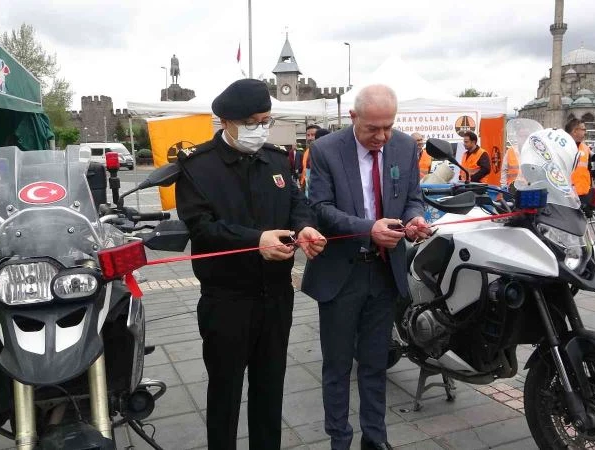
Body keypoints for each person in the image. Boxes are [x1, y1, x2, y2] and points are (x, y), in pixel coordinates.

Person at [175, 78, 327, 450]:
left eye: (266, 121)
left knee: (270, 389)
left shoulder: (275, 160)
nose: (260, 129)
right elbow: (203, 228)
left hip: (276, 297)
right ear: (226, 121)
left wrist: (304, 227)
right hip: (227, 300)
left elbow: (297, 203)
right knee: (224, 393)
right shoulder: (198, 167)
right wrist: (255, 241)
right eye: (253, 122)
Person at [302, 84, 432, 450]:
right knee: (338, 367)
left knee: (376, 364)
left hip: (384, 272)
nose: (382, 136)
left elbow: (412, 198)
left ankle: (375, 440)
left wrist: (416, 219)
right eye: (373, 128)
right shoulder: (326, 150)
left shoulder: (404, 147)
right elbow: (321, 209)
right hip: (341, 274)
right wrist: (368, 229)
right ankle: (339, 441)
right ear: (353, 117)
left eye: (388, 126)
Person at [565, 118, 592, 202]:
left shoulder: (585, 148)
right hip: (567, 195)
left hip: (584, 193)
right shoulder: (562, 147)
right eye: (583, 129)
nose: (585, 132)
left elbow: (589, 169)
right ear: (575, 131)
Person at [299, 124, 322, 192]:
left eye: (313, 135)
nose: (310, 138)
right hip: (307, 188)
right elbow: (305, 171)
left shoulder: (325, 152)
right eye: (308, 135)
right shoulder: (306, 152)